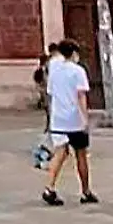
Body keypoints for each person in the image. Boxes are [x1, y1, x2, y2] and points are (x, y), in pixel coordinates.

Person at [41, 41, 98, 206]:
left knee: (60, 153)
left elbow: (50, 93)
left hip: (58, 118)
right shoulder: (78, 71)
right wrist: (85, 118)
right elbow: (81, 96)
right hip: (75, 119)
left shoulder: (54, 70)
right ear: (73, 53)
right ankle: (85, 191)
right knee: (81, 153)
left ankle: (49, 187)